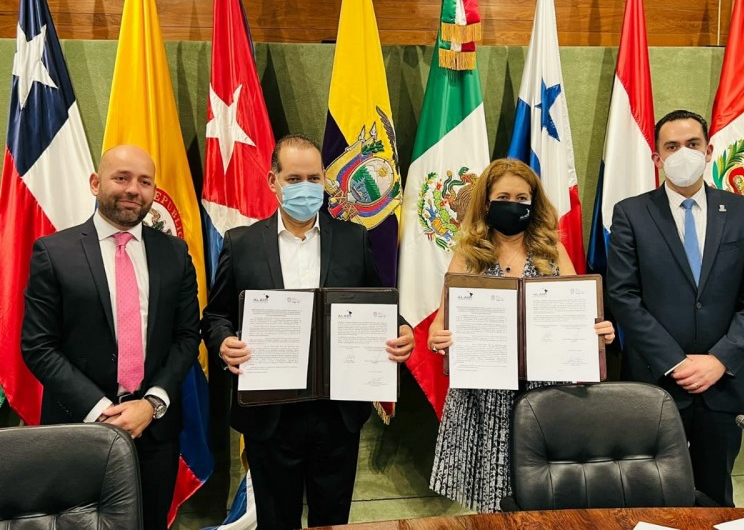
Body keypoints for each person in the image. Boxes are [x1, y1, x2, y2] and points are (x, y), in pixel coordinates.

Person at [201, 135, 415, 529]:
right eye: (294, 178)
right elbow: (216, 315)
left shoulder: (354, 239)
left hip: (336, 412)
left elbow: (381, 308)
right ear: (273, 181)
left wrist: (402, 330)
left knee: (332, 520)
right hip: (270, 414)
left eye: (314, 178)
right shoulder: (242, 243)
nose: (306, 187)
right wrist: (223, 342)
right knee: (275, 521)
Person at [21, 145, 200, 530]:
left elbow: (187, 337)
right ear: (95, 183)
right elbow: (38, 346)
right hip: (77, 429)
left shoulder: (175, 253)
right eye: (121, 178)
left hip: (154, 430)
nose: (133, 189)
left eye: (145, 182)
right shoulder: (54, 252)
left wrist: (151, 403)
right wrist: (103, 411)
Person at [427, 158, 615, 512]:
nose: (513, 205)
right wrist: (438, 338)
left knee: (545, 499)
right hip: (485, 394)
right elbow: (440, 322)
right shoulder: (468, 253)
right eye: (503, 197)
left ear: (533, 202)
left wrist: (598, 333)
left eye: (522, 198)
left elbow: (580, 317)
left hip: (544, 392)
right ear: (486, 202)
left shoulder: (552, 250)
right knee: (493, 504)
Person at [606, 110, 744, 506]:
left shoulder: (742, 212)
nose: (684, 153)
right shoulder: (631, 213)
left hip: (723, 384)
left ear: (708, 150)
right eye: (672, 146)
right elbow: (623, 295)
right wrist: (675, 362)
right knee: (651, 498)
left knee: (715, 499)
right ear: (657, 158)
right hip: (656, 381)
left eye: (693, 144)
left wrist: (720, 359)